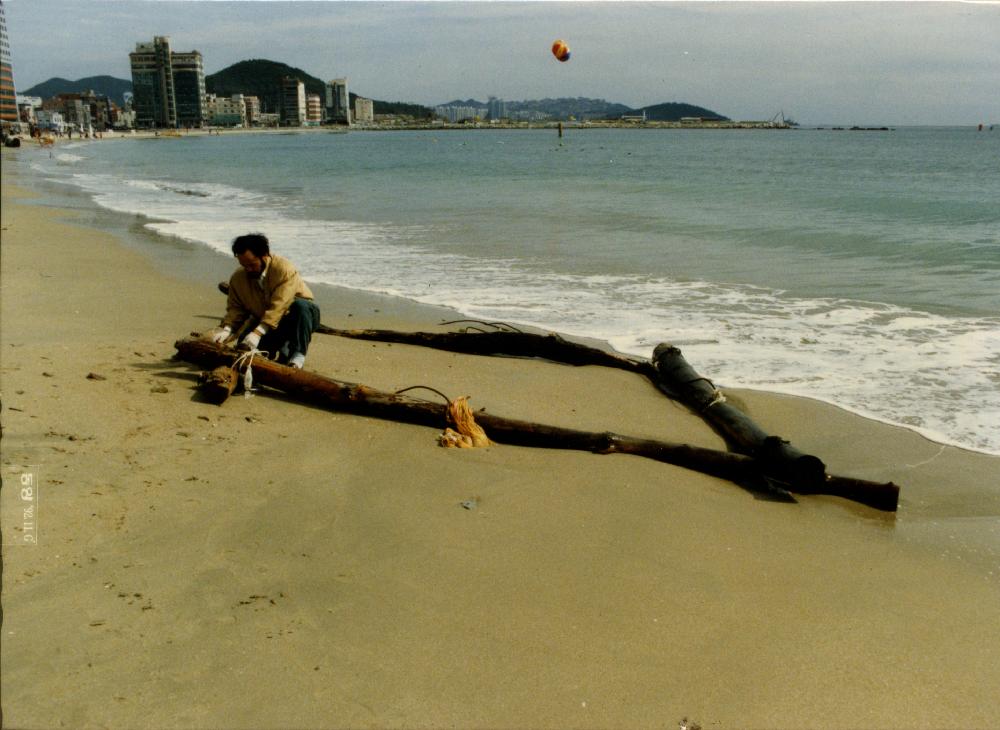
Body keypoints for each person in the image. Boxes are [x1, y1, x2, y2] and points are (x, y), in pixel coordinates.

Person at [204, 233, 320, 369]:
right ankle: (277, 349)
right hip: (266, 322)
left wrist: (257, 333)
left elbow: (280, 305)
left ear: (265, 255)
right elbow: (236, 308)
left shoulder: (284, 269)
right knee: (244, 349)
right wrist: (227, 329)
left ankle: (298, 354)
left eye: (252, 265)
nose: (248, 269)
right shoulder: (238, 277)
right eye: (243, 265)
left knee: (301, 306)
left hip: (298, 318)